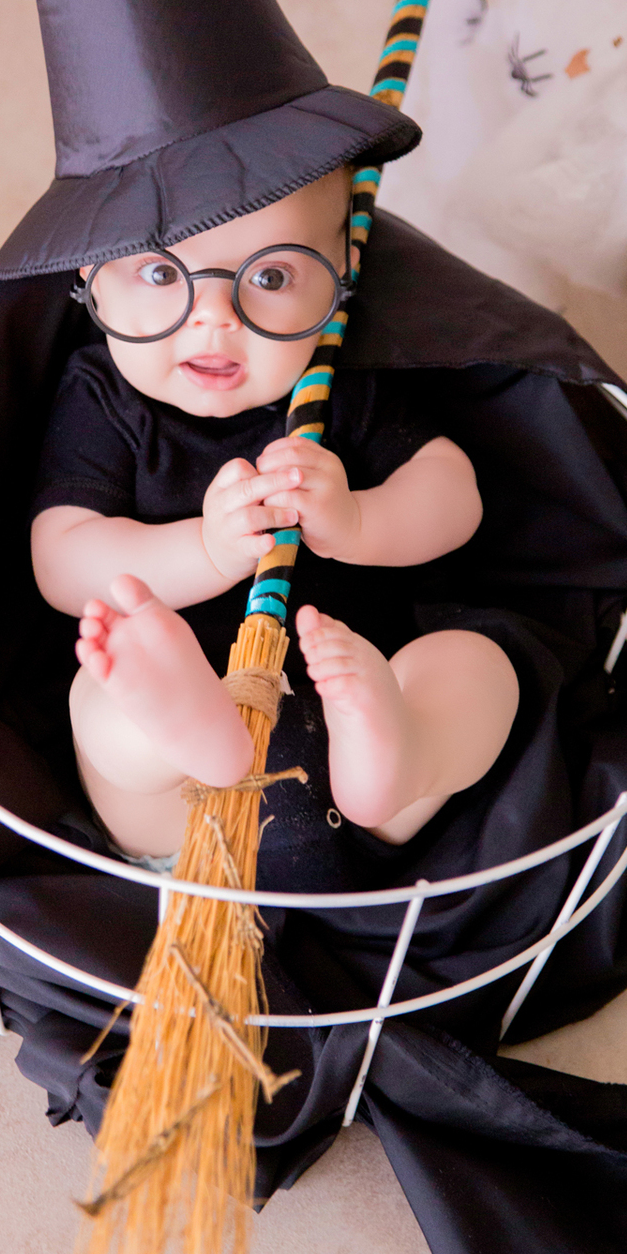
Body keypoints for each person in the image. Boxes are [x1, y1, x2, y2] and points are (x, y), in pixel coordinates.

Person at [30, 163, 520, 866]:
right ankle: (197, 729)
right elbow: (62, 560)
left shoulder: (339, 384)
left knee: (477, 666)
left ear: (341, 272)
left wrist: (359, 521)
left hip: (358, 742)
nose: (214, 316)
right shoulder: (103, 398)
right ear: (91, 271)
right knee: (103, 697)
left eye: (269, 276)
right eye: (162, 273)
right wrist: (206, 551)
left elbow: (455, 493)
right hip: (183, 814)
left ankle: (401, 759)